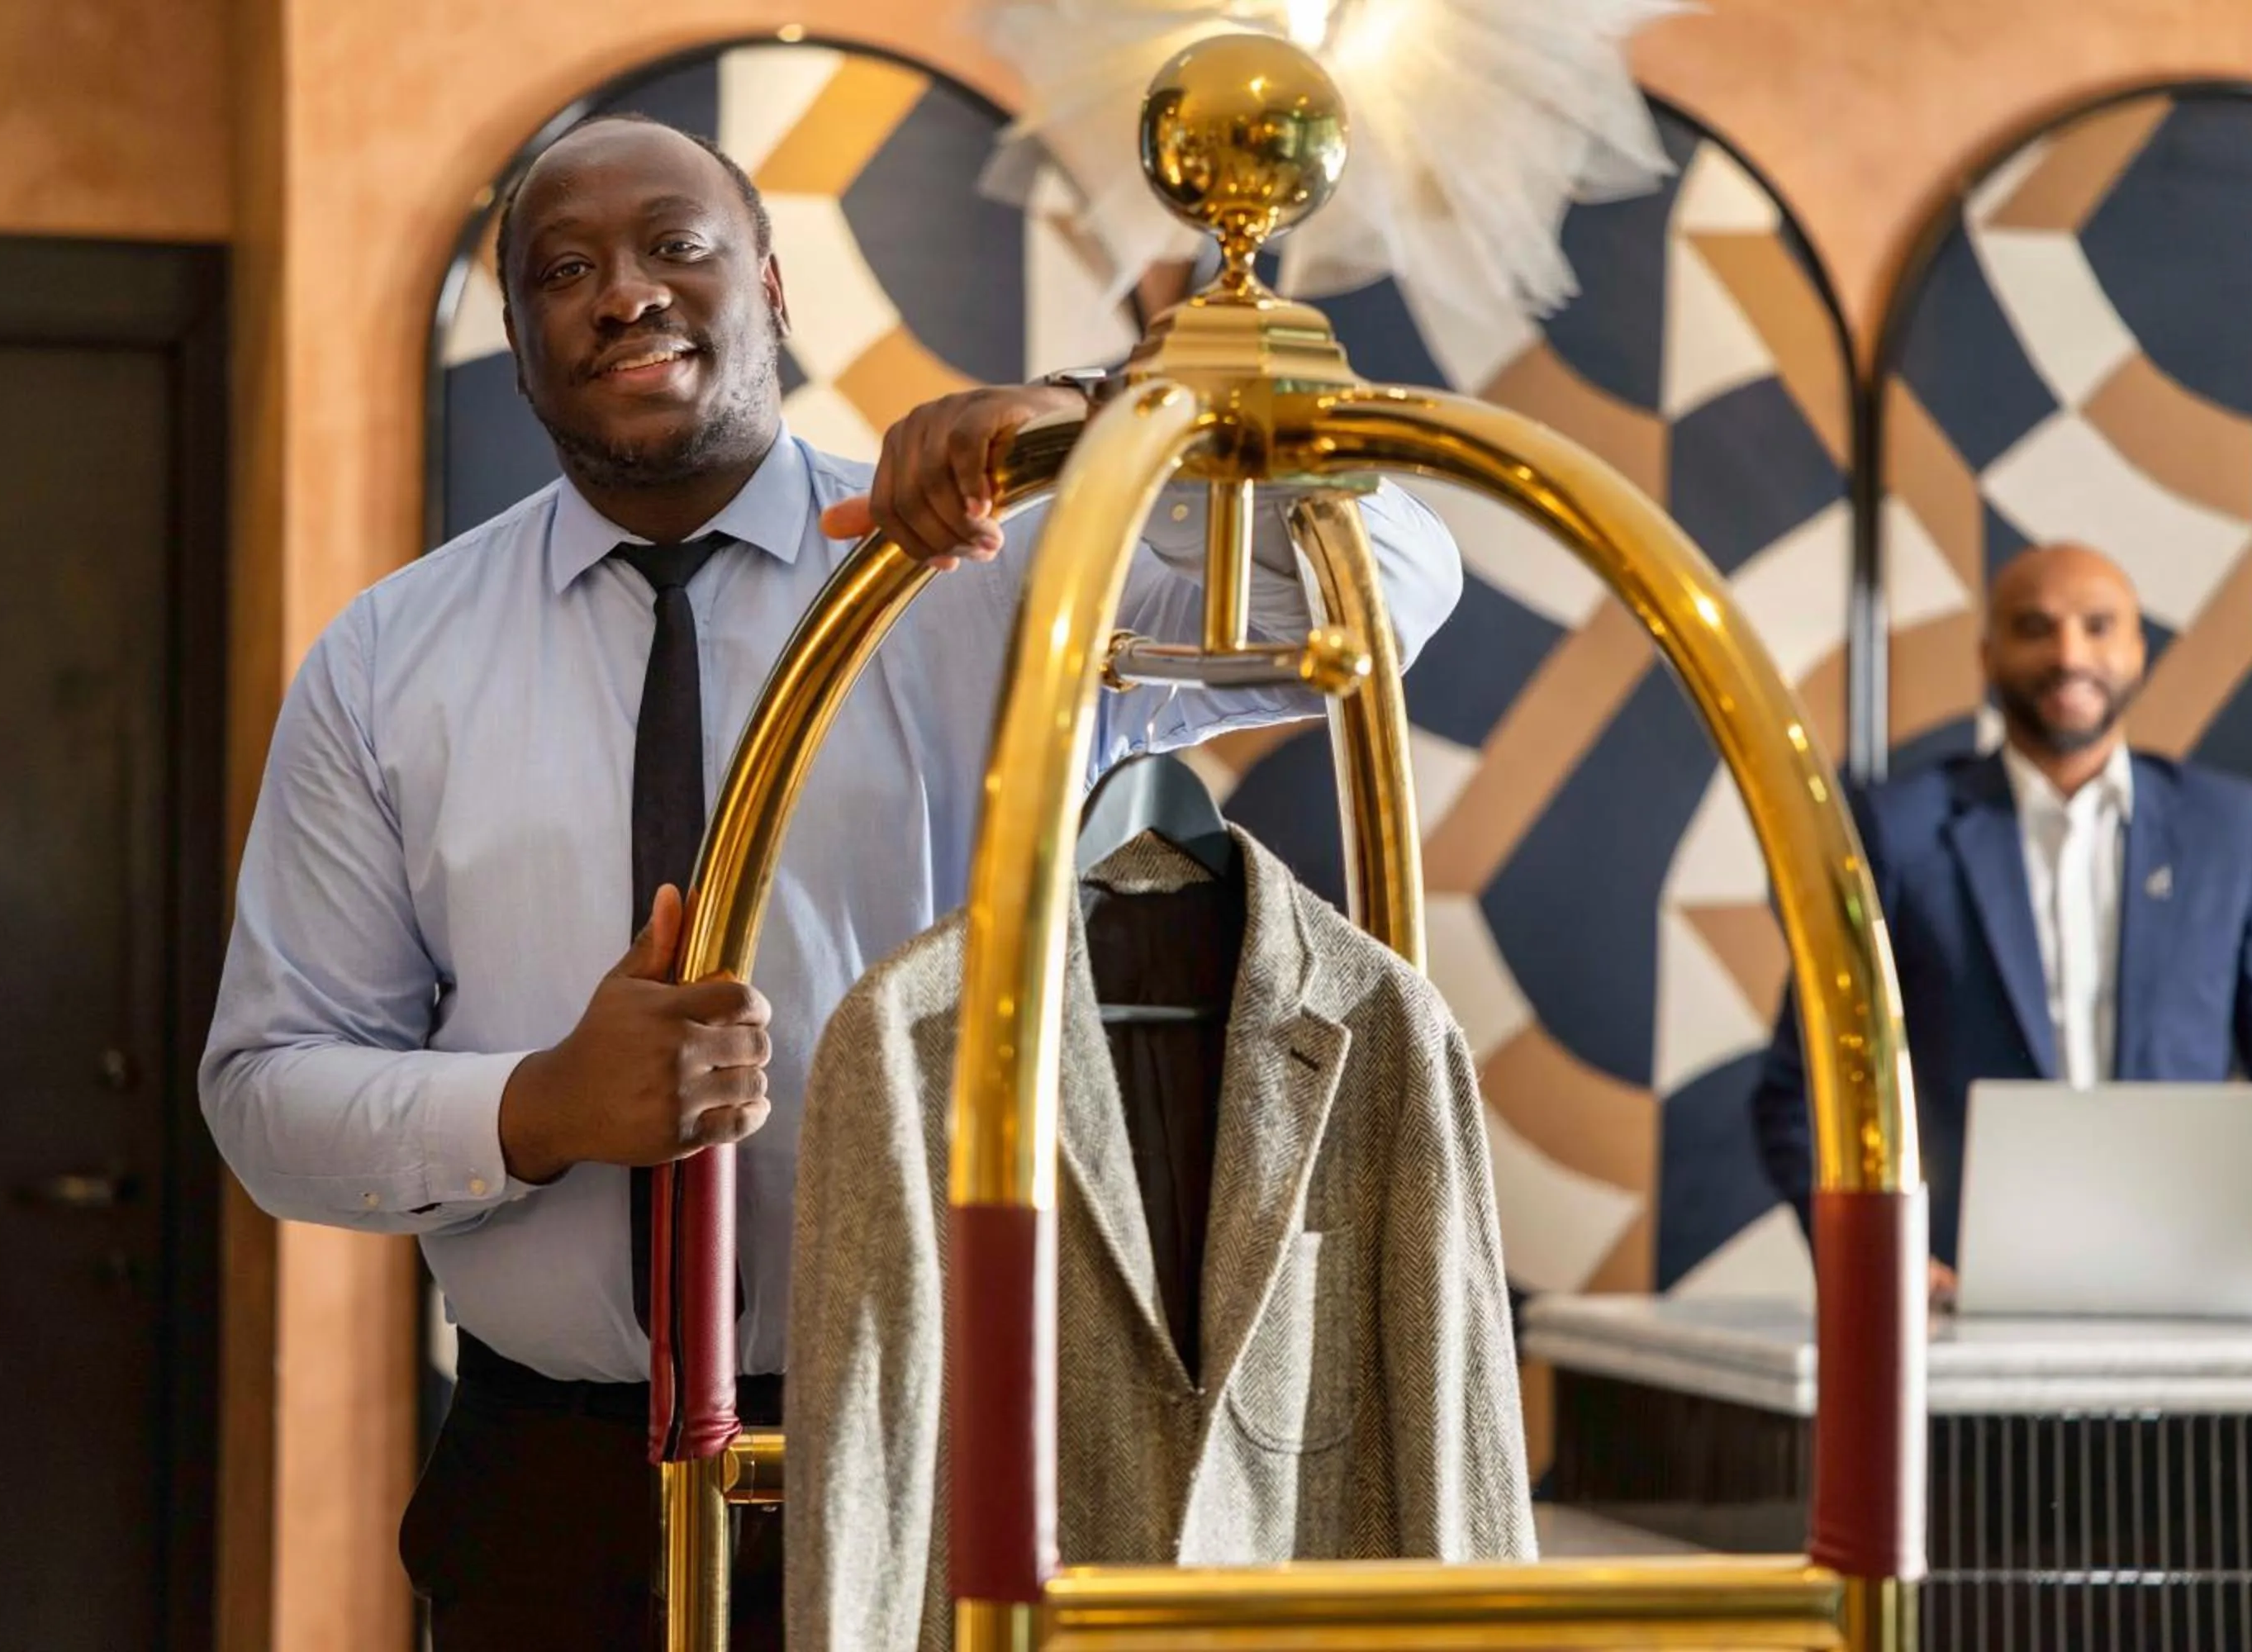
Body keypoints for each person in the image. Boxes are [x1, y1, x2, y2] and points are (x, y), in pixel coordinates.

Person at [199, 113, 1461, 1648]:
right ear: (520, 345)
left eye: (677, 246)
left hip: (953, 1454)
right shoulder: (388, 662)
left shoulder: (1004, 570)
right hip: (550, 1489)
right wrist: (536, 1111)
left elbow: (1390, 582)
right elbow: (267, 1099)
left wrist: (1084, 419)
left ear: (775, 291)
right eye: (566, 270)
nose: (625, 293)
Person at [1750, 541, 2252, 1303]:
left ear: (2138, 649)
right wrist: (1871, 1258)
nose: (2070, 654)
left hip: (2192, 1301)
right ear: (1988, 654)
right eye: (2036, 628)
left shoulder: (2233, 831)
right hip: (1956, 1308)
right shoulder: (1895, 832)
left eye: (2098, 626)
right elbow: (1799, 1088)